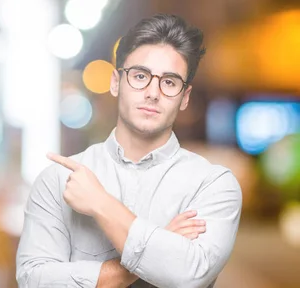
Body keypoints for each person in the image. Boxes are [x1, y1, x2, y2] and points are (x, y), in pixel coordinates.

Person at [16, 14, 242, 288]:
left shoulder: (213, 185)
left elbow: (190, 274)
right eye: (139, 76)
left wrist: (100, 203)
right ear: (115, 82)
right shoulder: (58, 180)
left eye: (169, 82)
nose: (152, 92)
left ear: (185, 98)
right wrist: (153, 253)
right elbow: (33, 280)